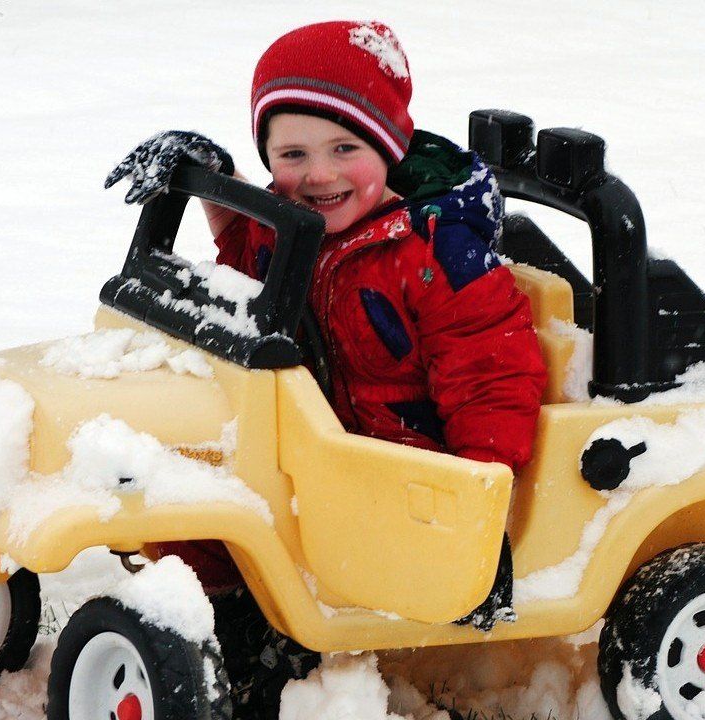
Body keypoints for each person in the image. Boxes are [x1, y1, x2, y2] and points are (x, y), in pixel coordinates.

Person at [105, 19, 549, 716]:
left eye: (346, 147)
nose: (319, 174)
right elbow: (249, 259)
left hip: (406, 473)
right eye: (293, 153)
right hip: (313, 448)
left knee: (263, 525)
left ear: (390, 146)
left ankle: (279, 655)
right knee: (193, 510)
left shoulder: (440, 254)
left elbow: (492, 374)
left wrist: (479, 507)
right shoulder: (300, 222)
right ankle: (218, 624)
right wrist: (213, 179)